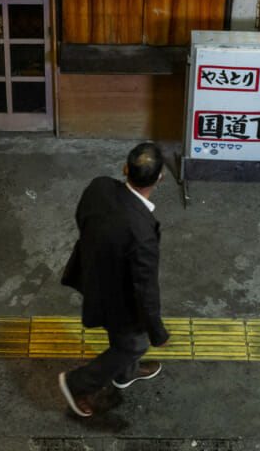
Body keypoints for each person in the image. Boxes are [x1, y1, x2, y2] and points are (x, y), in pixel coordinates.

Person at [59, 142, 170, 418]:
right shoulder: (143, 232)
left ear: (125, 169)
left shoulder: (99, 187)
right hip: (120, 298)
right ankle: (77, 384)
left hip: (91, 276)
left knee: (122, 337)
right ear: (160, 177)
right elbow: (145, 290)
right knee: (134, 344)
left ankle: (125, 375)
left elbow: (82, 218)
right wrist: (158, 333)